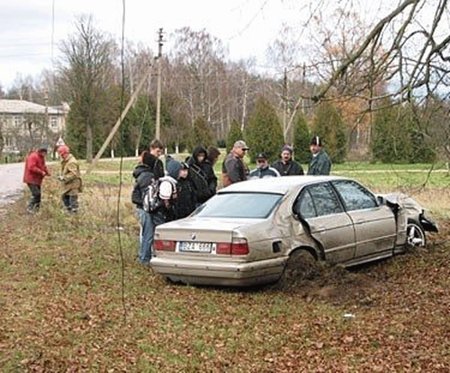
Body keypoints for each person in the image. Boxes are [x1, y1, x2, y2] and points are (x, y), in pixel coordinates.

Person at [131, 151, 157, 264]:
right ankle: (145, 259)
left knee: (145, 234)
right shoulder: (147, 176)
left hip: (141, 208)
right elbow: (148, 196)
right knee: (148, 234)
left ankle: (143, 256)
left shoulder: (141, 174)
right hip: (145, 209)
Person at [23, 145, 51, 213]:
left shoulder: (41, 157)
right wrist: (41, 172)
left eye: (46, 153)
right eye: (44, 152)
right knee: (36, 194)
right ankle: (29, 208)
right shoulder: (33, 156)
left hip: (37, 180)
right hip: (31, 179)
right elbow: (31, 167)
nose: (45, 154)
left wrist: (47, 173)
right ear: (41, 151)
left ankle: (36, 210)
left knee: (39, 195)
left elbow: (43, 166)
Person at [57, 145, 82, 213]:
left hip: (73, 185)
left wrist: (64, 178)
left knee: (72, 201)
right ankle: (69, 212)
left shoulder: (72, 162)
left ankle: (74, 215)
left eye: (62, 155)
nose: (61, 156)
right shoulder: (66, 161)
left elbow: (73, 173)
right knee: (65, 198)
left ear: (66, 153)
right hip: (68, 185)